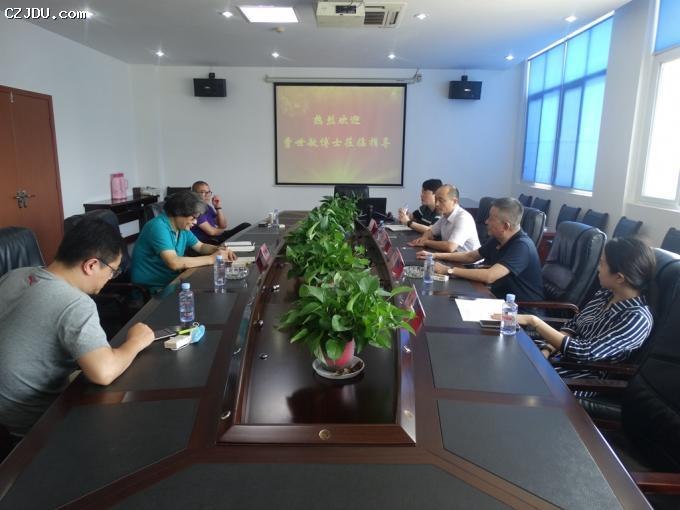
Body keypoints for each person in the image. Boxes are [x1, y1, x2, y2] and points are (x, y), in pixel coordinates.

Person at [0, 218, 156, 440]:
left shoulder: (15, 275)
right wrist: (136, 341)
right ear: (91, 265)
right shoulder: (75, 303)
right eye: (112, 271)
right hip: (34, 425)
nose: (110, 278)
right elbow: (103, 373)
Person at [497, 238, 655, 384]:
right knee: (500, 353)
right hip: (557, 356)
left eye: (602, 264)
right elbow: (574, 325)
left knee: (505, 376)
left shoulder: (637, 318)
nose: (598, 268)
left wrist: (534, 321)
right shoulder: (606, 294)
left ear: (619, 278)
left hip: (578, 377)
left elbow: (583, 352)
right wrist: (547, 349)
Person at [417, 197, 544, 302]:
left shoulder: (522, 246)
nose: (486, 221)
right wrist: (434, 256)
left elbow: (490, 276)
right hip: (496, 298)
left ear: (506, 226)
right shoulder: (498, 238)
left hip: (519, 310)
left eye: (491, 218)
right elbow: (471, 256)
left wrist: (448, 270)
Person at [131, 190, 237, 292]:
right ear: (179, 213)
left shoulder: (182, 227)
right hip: (154, 287)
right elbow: (174, 262)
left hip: (173, 280)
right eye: (193, 218)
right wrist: (212, 258)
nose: (195, 222)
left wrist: (219, 250)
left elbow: (200, 247)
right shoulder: (158, 226)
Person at [407, 184, 480, 253]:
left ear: (454, 201)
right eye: (436, 200)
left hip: (468, 261)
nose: (437, 204)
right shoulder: (445, 216)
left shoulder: (463, 218)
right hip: (452, 256)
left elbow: (450, 247)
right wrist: (423, 239)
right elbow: (430, 231)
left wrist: (426, 242)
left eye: (441, 200)